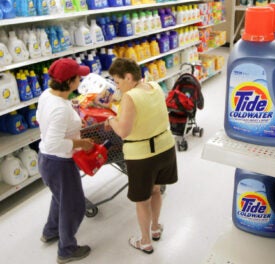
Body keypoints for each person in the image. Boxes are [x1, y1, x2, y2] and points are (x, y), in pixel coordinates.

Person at [105, 58, 178, 254]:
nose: (117, 87)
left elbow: (123, 132)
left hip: (143, 156)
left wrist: (111, 119)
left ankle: (145, 241)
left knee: (142, 200)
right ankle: (155, 228)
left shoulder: (130, 98)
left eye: (118, 82)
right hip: (165, 148)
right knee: (155, 190)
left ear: (128, 77)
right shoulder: (153, 86)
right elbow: (144, 113)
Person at [36, 58, 94, 264]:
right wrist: (80, 143)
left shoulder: (48, 95)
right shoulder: (60, 108)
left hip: (46, 160)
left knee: (60, 198)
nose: (81, 79)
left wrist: (73, 118)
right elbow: (54, 143)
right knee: (74, 205)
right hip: (58, 162)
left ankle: (51, 231)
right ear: (69, 82)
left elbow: (43, 120)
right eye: (78, 77)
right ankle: (66, 250)